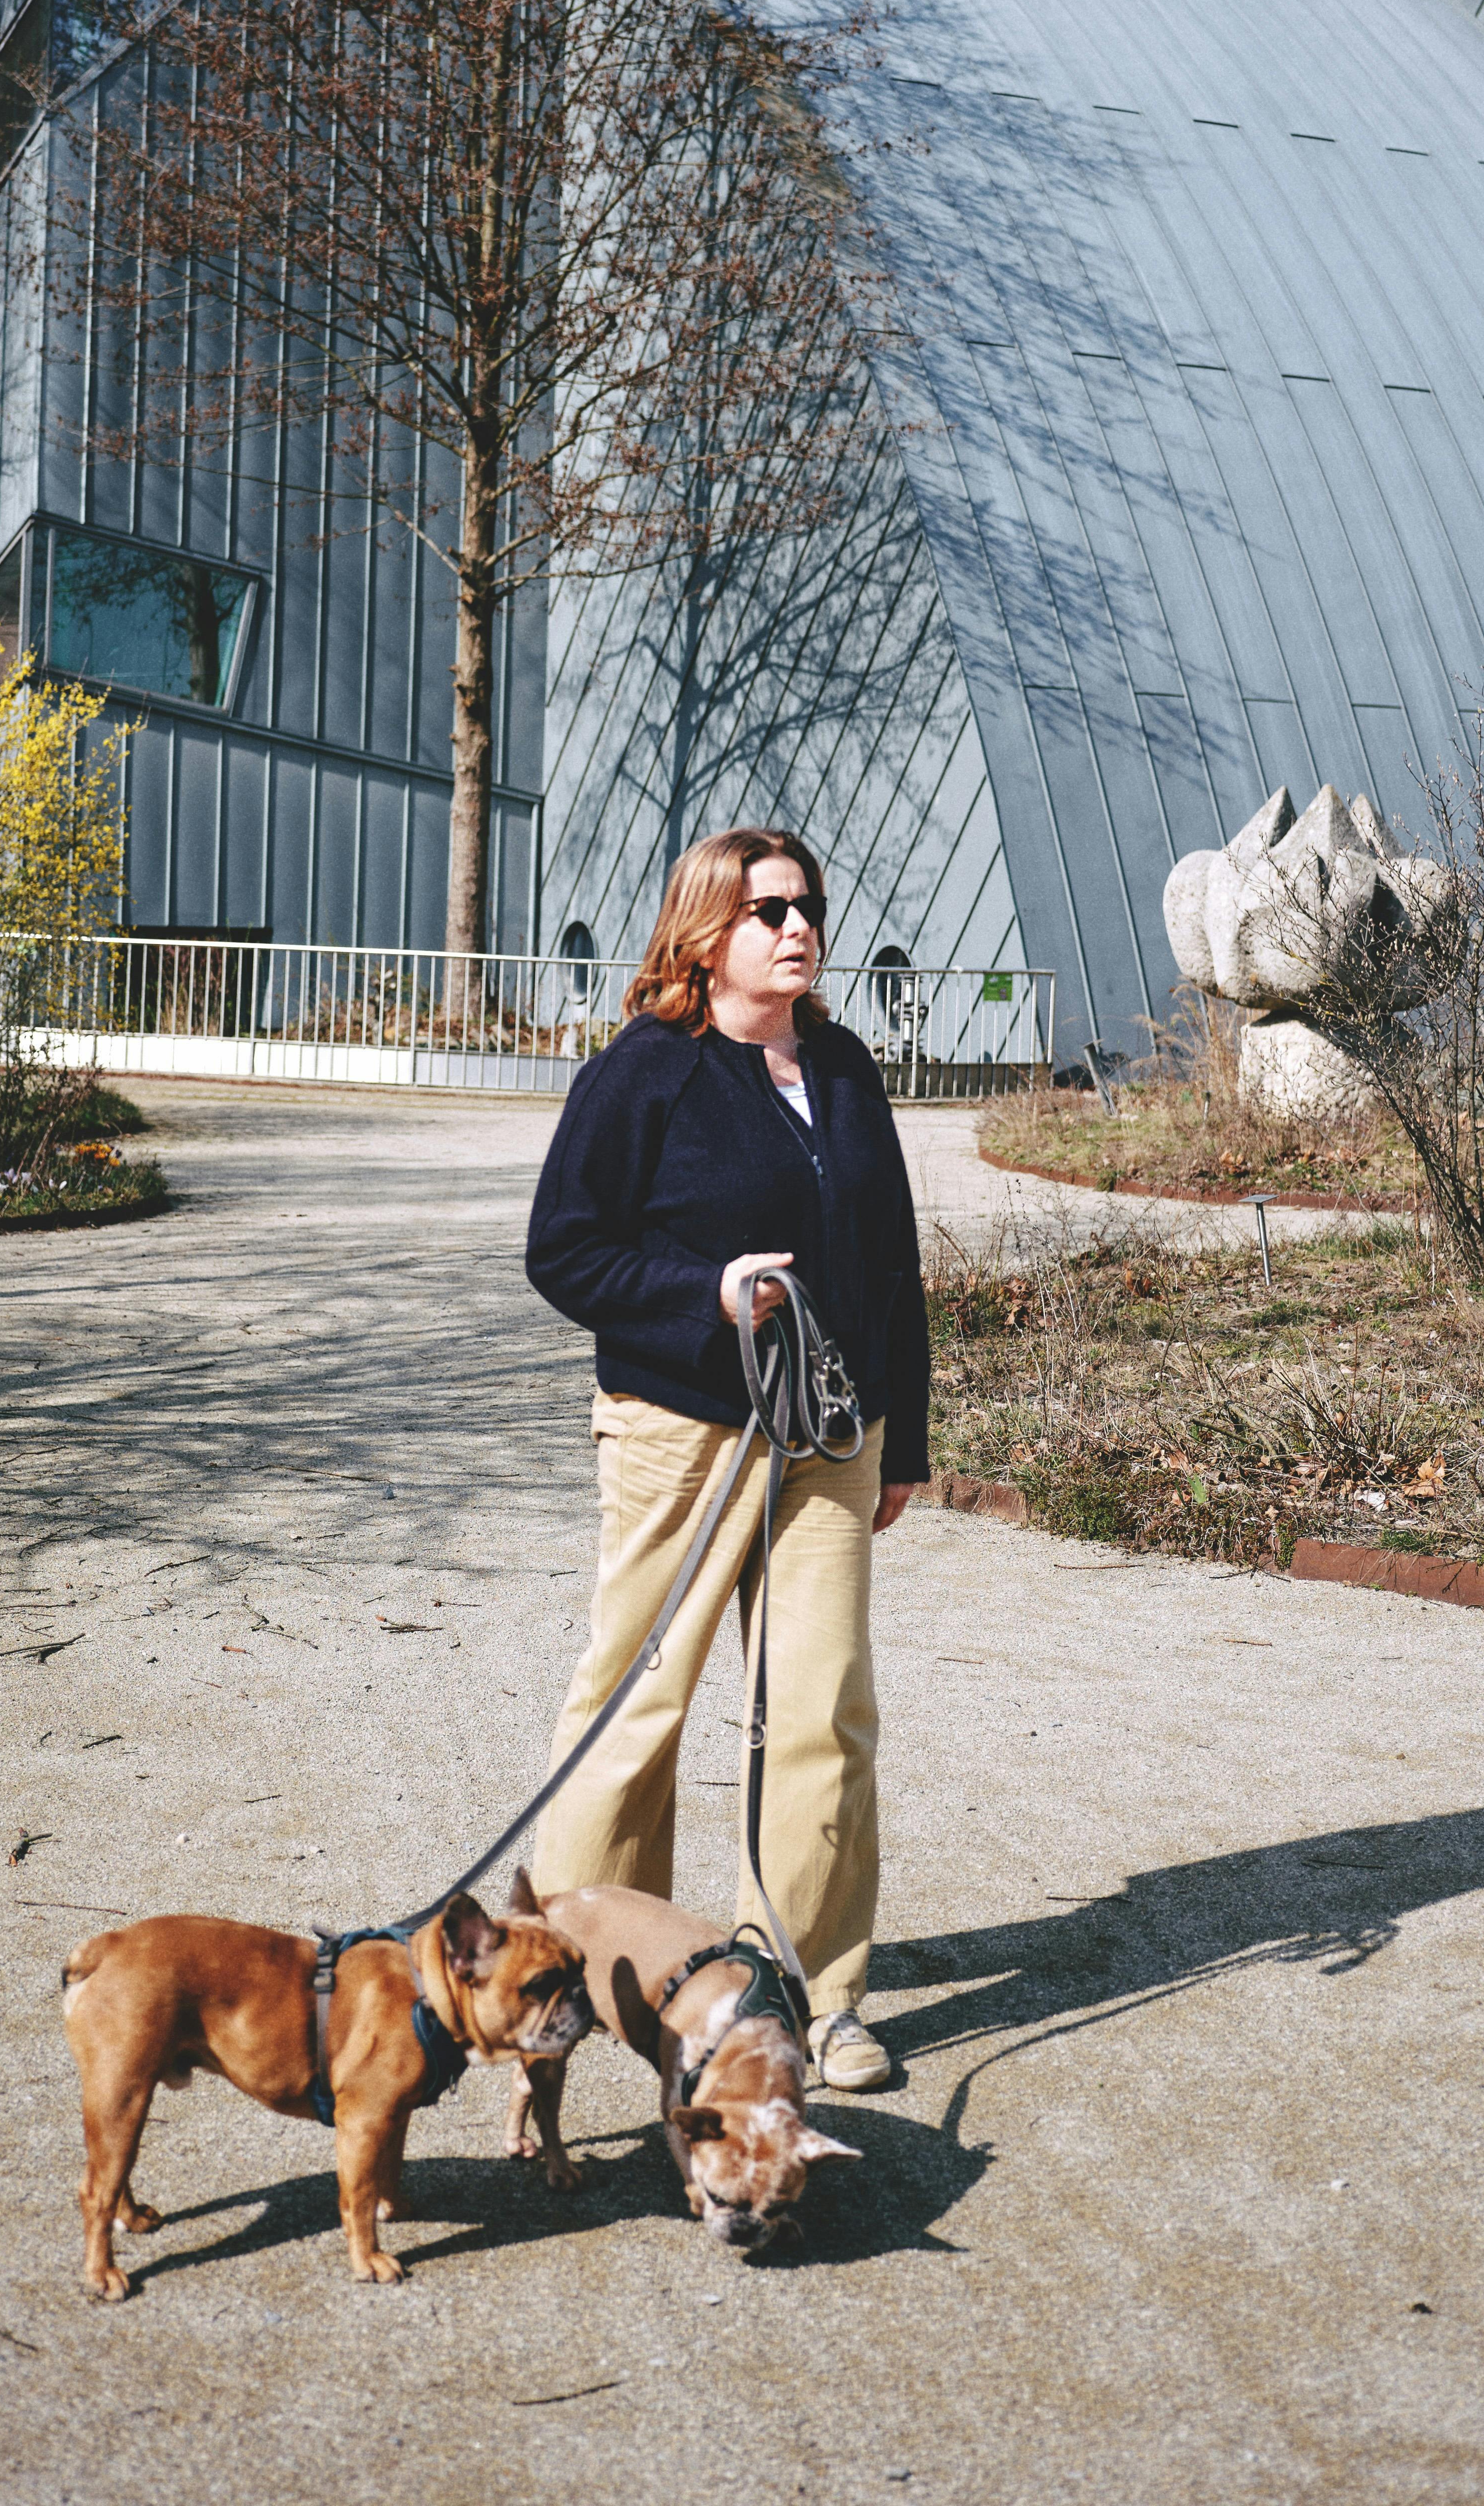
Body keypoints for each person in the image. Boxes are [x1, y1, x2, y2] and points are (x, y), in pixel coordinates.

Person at [524, 825, 927, 2094]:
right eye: (770, 911)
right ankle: (572, 1967)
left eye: (809, 905)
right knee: (636, 1706)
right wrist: (708, 1288)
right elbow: (565, 1252)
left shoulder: (850, 1070)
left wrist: (903, 1440)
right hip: (681, 1435)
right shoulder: (644, 1075)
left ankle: (808, 1995)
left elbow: (894, 1271)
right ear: (708, 933)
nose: (800, 929)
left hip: (830, 1439)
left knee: (822, 1715)